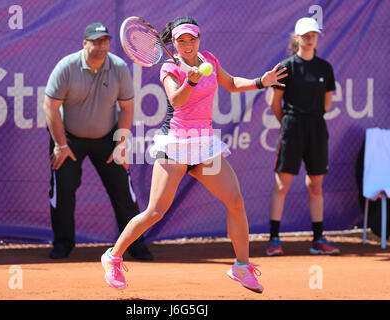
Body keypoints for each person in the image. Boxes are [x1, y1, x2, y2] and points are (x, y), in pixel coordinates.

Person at [101, 16, 287, 293]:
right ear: (174, 44)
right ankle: (113, 257)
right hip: (175, 144)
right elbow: (176, 100)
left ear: (199, 39)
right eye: (181, 41)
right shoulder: (168, 67)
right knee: (155, 212)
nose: (188, 45)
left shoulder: (209, 58)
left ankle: (242, 267)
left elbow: (232, 84)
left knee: (235, 201)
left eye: (192, 39)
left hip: (203, 146)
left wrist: (261, 81)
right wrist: (189, 81)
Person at [43, 22, 153, 261]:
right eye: (96, 41)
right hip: (68, 139)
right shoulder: (66, 67)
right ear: (85, 43)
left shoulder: (119, 67)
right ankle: (63, 244)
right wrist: (61, 145)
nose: (102, 46)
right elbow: (50, 106)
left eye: (105, 41)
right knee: (62, 190)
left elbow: (126, 107)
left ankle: (135, 245)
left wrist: (120, 144)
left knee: (123, 191)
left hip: (107, 138)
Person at [266, 17, 340, 256]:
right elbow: (274, 102)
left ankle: (318, 240)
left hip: (316, 128)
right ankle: (274, 240)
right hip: (292, 126)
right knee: (282, 184)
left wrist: (310, 120)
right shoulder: (286, 67)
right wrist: (288, 124)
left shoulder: (324, 68)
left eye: (313, 35)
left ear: (317, 38)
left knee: (315, 185)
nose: (310, 39)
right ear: (297, 38)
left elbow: (327, 103)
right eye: (305, 35)